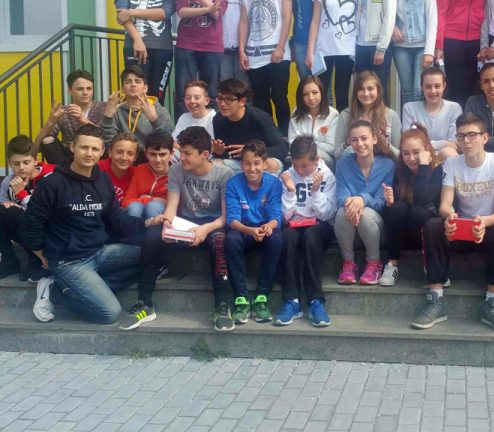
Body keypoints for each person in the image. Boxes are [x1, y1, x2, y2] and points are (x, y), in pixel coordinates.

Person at [22, 125, 154, 325]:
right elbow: (31, 222)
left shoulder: (103, 180)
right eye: (84, 147)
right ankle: (55, 292)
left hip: (99, 252)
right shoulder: (52, 183)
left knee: (151, 256)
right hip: (69, 261)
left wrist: (148, 222)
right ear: (72, 147)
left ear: (102, 152)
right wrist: (41, 253)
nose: (89, 153)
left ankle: (90, 288)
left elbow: (115, 218)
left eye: (94, 149)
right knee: (109, 313)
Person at [119, 126, 235, 332]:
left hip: (212, 224)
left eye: (187, 153)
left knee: (219, 242)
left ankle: (222, 304)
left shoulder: (224, 174)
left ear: (204, 154)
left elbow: (225, 217)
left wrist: (204, 229)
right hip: (185, 222)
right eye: (181, 152)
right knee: (152, 236)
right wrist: (167, 222)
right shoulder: (176, 170)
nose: (181, 158)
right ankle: (144, 301)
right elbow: (172, 206)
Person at [411, 112, 494, 333]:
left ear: (485, 137)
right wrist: (450, 217)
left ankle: (492, 303)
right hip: (460, 229)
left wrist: (484, 222)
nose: (466, 141)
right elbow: (444, 205)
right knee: (433, 226)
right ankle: (435, 299)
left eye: (472, 135)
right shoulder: (452, 163)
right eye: (461, 136)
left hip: (487, 229)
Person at [275, 136, 337, 326]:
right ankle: (292, 301)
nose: (300, 171)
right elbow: (285, 216)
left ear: (316, 160)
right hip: (294, 224)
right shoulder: (287, 175)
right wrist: (290, 191)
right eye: (295, 165)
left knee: (312, 236)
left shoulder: (327, 176)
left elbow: (327, 214)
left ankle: (315, 301)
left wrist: (316, 192)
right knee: (286, 237)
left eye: (304, 166)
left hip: (319, 225)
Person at [239, 0, 295, 136]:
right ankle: (267, 137)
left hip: (278, 53)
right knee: (261, 100)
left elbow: (287, 17)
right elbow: (244, 21)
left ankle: (285, 136)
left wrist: (280, 46)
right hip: (254, 54)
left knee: (279, 97)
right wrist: (241, 50)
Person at [224, 140, 284, 325]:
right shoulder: (233, 183)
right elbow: (232, 219)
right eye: (247, 163)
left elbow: (276, 214)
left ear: (265, 164)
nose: (252, 169)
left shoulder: (274, 183)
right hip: (243, 229)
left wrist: (270, 226)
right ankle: (240, 298)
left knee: (276, 238)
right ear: (241, 165)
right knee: (231, 239)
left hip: (264, 229)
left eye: (257, 163)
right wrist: (249, 230)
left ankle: (261, 297)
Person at [114, 0, 175, 103]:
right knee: (134, 95)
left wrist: (132, 12)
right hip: (133, 45)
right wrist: (137, 39)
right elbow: (121, 13)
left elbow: (165, 12)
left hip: (162, 47)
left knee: (156, 97)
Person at [436, 0, 493, 107]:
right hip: (453, 39)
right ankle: (457, 123)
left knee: (477, 87)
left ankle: (474, 123)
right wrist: (439, 44)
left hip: (479, 39)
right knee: (455, 87)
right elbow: (441, 10)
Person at [335, 120, 395, 286]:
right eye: (354, 140)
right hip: (349, 230)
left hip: (376, 230)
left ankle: (374, 263)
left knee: (366, 215)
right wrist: (353, 203)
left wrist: (362, 199)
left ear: (374, 139)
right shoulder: (343, 165)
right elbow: (341, 198)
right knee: (342, 211)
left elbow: (381, 203)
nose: (359, 144)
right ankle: (348, 264)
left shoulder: (388, 165)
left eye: (364, 138)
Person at [381, 125, 443, 286]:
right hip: (403, 235)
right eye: (406, 153)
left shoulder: (438, 170)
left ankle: (430, 266)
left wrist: (423, 167)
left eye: (416, 152)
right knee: (398, 207)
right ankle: (392, 264)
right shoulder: (401, 170)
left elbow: (423, 201)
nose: (411, 158)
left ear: (427, 149)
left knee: (418, 212)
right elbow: (393, 215)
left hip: (429, 235)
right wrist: (389, 203)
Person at [174, 0, 228, 117]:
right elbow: (182, 12)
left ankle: (209, 130)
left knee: (211, 95)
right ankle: (183, 130)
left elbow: (217, 14)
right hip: (186, 44)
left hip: (212, 46)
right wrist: (209, 8)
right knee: (183, 94)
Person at [306, 0, 359, 112]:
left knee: (342, 94)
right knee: (321, 93)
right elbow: (315, 22)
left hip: (347, 49)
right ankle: (324, 125)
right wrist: (310, 51)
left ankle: (342, 126)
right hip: (324, 50)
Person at [0, 136, 54, 281]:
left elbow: (48, 214)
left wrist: (21, 194)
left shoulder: (50, 178)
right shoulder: (8, 182)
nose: (21, 167)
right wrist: (6, 206)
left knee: (17, 213)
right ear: (9, 163)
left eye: (26, 162)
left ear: (36, 160)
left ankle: (36, 261)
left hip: (49, 232)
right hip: (25, 231)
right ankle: (9, 260)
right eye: (16, 163)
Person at [391, 0, 438, 105]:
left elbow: (432, 18)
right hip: (400, 47)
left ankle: (420, 122)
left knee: (419, 90)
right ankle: (408, 122)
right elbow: (383, 13)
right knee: (407, 91)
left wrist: (429, 51)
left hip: (422, 46)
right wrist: (391, 27)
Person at [211, 78, 287, 174]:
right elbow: (225, 156)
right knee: (213, 165)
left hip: (264, 161)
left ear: (242, 101)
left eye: (228, 100)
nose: (222, 104)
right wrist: (218, 152)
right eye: (219, 98)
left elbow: (282, 148)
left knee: (271, 164)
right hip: (239, 164)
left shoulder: (260, 118)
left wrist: (251, 152)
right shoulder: (218, 120)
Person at [355, 0, 398, 99]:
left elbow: (389, 15)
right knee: (362, 91)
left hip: (378, 45)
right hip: (361, 44)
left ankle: (380, 118)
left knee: (378, 92)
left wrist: (381, 48)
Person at [35, 69, 107, 165]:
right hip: (69, 159)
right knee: (47, 141)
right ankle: (62, 173)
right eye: (80, 89)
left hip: (96, 155)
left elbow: (108, 139)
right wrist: (50, 122)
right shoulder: (63, 111)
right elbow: (37, 148)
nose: (85, 92)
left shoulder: (103, 108)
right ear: (70, 90)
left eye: (89, 88)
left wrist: (83, 120)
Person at [100, 65, 173, 154]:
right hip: (124, 157)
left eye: (137, 81)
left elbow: (168, 142)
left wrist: (154, 120)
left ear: (145, 88)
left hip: (150, 157)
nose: (133, 85)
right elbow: (109, 144)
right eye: (128, 82)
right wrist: (108, 117)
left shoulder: (160, 110)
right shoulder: (117, 111)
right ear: (123, 89)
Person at [335, 71, 401, 159]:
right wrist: (348, 143)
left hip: (384, 164)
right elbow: (337, 156)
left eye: (370, 89)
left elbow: (399, 156)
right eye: (361, 89)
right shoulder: (345, 115)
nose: (366, 94)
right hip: (353, 164)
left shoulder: (392, 115)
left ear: (378, 90)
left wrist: (384, 143)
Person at [401, 67, 461, 161]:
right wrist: (443, 143)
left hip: (444, 158)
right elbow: (408, 142)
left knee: (449, 152)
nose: (433, 91)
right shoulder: (409, 108)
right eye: (428, 87)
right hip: (417, 158)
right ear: (421, 87)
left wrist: (428, 145)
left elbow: (453, 143)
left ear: (444, 86)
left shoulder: (454, 108)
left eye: (437, 86)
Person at [288, 75, 339, 170]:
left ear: (322, 93)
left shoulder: (333, 114)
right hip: (300, 158)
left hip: (325, 160)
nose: (311, 97)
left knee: (316, 154)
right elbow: (292, 141)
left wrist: (310, 145)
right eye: (305, 94)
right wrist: (316, 144)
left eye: (315, 92)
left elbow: (332, 147)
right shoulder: (296, 112)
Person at [122, 129, 173, 221]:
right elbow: (126, 201)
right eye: (153, 154)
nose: (158, 160)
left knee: (153, 207)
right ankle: (132, 230)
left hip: (162, 215)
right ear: (146, 154)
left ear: (171, 154)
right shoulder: (140, 169)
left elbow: (176, 205)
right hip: (138, 211)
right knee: (134, 208)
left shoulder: (176, 173)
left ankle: (154, 231)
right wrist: (149, 199)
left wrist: (150, 200)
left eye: (162, 154)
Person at [97, 132, 138, 203]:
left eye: (130, 154)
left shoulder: (138, 174)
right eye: (119, 152)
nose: (124, 158)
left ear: (135, 157)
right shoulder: (97, 168)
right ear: (110, 152)